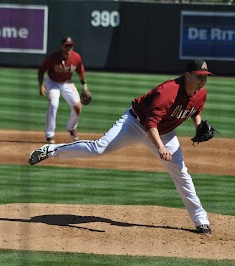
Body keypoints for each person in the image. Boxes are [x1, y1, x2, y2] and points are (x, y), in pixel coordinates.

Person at [29, 59, 214, 235]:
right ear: (187, 74)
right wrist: (160, 148)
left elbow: (194, 110)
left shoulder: (201, 93)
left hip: (164, 132)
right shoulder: (167, 92)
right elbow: (150, 124)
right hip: (135, 123)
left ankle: (200, 219)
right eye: (199, 76)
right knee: (99, 148)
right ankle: (51, 150)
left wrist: (198, 126)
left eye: (205, 76)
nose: (203, 80)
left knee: (181, 173)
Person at [38, 36, 89, 144]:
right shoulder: (53, 57)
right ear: (62, 46)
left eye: (70, 46)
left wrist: (85, 87)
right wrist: (41, 85)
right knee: (54, 104)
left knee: (78, 107)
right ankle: (49, 135)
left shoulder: (76, 57)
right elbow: (42, 69)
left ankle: (71, 127)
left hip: (67, 82)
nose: (68, 48)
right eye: (66, 46)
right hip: (52, 82)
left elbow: (80, 72)